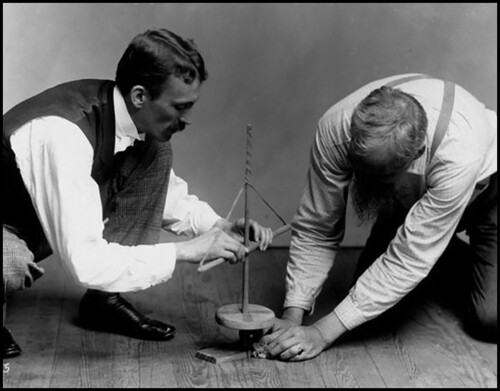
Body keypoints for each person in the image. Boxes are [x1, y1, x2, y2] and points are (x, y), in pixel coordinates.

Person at [3, 28, 274, 359]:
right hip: (11, 233)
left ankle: (105, 301)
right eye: (179, 106)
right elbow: (85, 263)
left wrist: (217, 227)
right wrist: (183, 252)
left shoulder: (128, 119)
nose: (187, 119)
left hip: (36, 224)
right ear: (140, 96)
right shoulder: (64, 135)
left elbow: (163, 195)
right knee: (10, 264)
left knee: (157, 153)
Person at [260, 73, 497, 361]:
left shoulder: (459, 153)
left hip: (488, 192)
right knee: (370, 313)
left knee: (489, 317)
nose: (366, 185)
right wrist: (292, 315)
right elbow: (317, 225)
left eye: (381, 176)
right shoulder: (335, 128)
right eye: (361, 171)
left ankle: (442, 251)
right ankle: (436, 249)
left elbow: (409, 257)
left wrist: (322, 333)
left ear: (417, 153)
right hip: (415, 198)